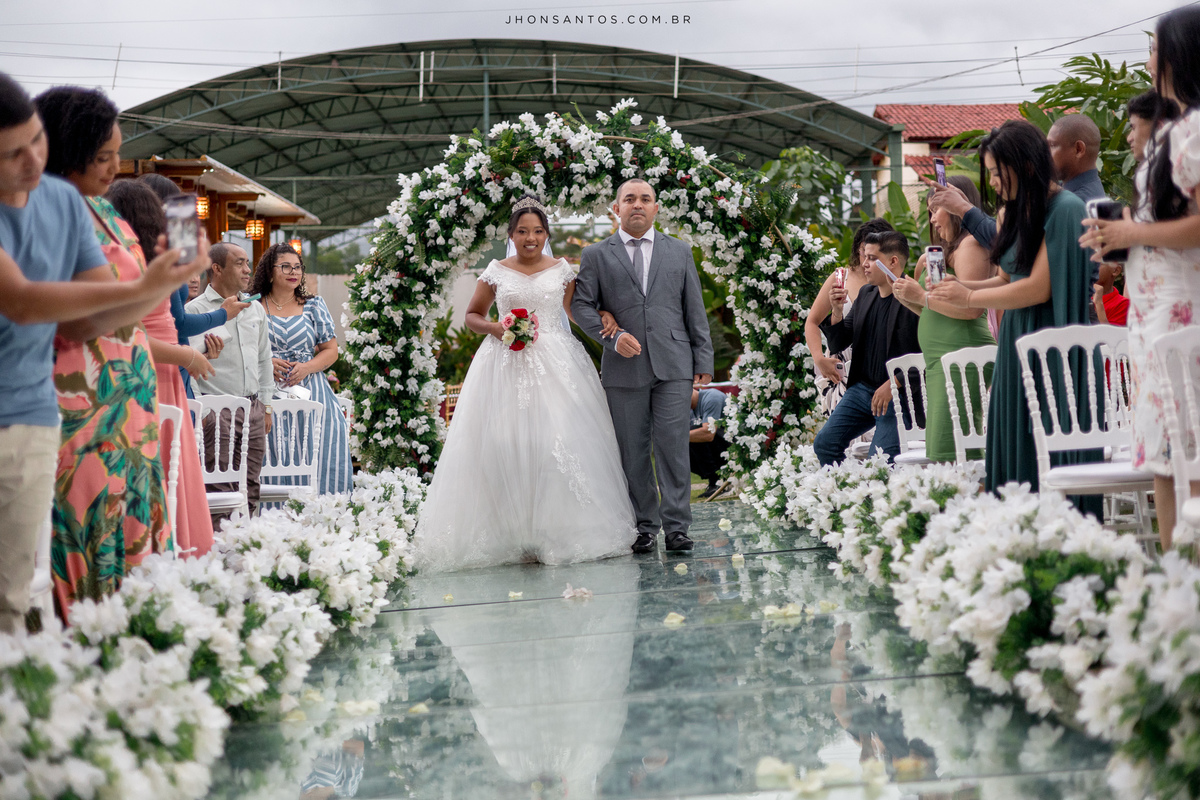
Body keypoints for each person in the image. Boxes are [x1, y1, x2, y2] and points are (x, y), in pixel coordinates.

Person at [0, 73, 204, 633]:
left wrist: (167, 281)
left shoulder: (78, 205)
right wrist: (145, 287)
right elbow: (27, 302)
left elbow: (98, 314)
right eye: (102, 155)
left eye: (37, 142)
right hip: (70, 395)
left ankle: (117, 649)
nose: (33, 159)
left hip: (111, 395)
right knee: (57, 552)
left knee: (26, 585)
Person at [413, 196, 636, 569]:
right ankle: (513, 534)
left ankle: (555, 532)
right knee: (504, 444)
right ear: (511, 235)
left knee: (556, 444)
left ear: (546, 234)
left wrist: (604, 317)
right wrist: (497, 327)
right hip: (503, 365)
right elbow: (472, 315)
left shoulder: (563, 270)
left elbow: (574, 312)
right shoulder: (495, 272)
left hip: (558, 363)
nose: (530, 238)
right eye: (522, 231)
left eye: (537, 231)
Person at [932, 119, 1101, 516]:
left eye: (997, 172)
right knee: (1014, 445)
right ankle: (1014, 532)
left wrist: (968, 294)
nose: (992, 182)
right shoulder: (1010, 213)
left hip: (1054, 341)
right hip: (1016, 341)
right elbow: (1008, 278)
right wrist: (957, 289)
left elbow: (1038, 288)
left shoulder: (1066, 208)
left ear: (1025, 165)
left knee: (1050, 445)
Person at [1078, 6, 1200, 548]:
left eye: (1153, 47)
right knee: (1165, 456)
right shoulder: (1175, 132)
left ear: (1178, 54)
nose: (1148, 59)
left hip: (1183, 316)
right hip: (1155, 317)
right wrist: (1123, 235)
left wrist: (1134, 232)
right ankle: (1175, 578)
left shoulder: (1195, 131)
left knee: (1189, 455)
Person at [572, 178, 715, 554]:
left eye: (645, 199)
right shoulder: (595, 255)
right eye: (630, 199)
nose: (638, 204)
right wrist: (612, 337)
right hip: (623, 367)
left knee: (673, 447)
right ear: (616, 208)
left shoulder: (679, 250)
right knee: (633, 450)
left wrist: (703, 358)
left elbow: (693, 307)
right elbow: (580, 305)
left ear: (655, 208)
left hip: (674, 364)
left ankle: (678, 527)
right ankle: (644, 527)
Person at [104, 178, 219, 556]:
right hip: (155, 365)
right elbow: (129, 333)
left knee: (171, 458)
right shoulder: (130, 262)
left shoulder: (154, 259)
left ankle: (176, 541)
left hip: (167, 366)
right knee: (161, 456)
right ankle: (167, 544)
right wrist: (188, 355)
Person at [892, 176, 996, 462]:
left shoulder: (971, 245)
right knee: (945, 451)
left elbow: (972, 308)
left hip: (962, 357)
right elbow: (938, 310)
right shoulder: (948, 251)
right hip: (943, 358)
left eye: (935, 209)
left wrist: (922, 297)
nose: (932, 220)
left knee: (951, 452)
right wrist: (911, 299)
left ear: (955, 205)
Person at [252, 242, 353, 495]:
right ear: (270, 271)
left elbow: (331, 350)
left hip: (312, 393)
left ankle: (327, 511)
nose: (293, 272)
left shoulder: (314, 305)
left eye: (297, 267)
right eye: (286, 266)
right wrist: (265, 362)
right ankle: (274, 515)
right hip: (268, 395)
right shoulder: (253, 306)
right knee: (273, 456)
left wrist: (307, 367)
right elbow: (241, 350)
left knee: (322, 450)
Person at [814, 230, 921, 466]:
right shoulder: (866, 294)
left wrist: (893, 384)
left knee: (878, 462)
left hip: (897, 396)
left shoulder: (914, 298)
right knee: (824, 444)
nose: (864, 263)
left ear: (893, 262)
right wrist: (837, 311)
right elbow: (838, 343)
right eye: (865, 256)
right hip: (862, 390)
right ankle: (842, 488)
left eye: (872, 258)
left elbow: (927, 356)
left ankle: (875, 490)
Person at [137, 172, 246, 398]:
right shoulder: (157, 259)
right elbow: (180, 323)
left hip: (170, 358)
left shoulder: (154, 255)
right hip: (163, 363)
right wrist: (223, 314)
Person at [187, 242, 273, 520]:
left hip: (254, 409)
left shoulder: (255, 309)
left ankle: (247, 541)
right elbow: (187, 364)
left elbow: (264, 359)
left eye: (248, 263)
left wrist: (266, 405)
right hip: (216, 411)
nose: (248, 269)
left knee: (251, 485)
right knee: (219, 488)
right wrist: (202, 411)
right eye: (239, 263)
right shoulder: (195, 311)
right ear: (217, 268)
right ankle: (218, 543)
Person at [804, 218, 895, 416]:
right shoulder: (840, 278)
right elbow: (812, 321)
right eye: (863, 250)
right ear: (857, 248)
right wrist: (818, 358)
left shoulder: (891, 282)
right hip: (840, 371)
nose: (866, 258)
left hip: (878, 371)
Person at [1047, 114, 1107, 202]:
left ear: (1079, 149)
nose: (1046, 152)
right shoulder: (1070, 189)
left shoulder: (1075, 203)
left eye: (1052, 145)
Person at [689, 386, 729, 498]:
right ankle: (715, 481)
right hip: (720, 446)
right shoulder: (688, 410)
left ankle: (717, 481)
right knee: (677, 443)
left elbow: (708, 434)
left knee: (692, 434)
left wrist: (679, 437)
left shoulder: (712, 397)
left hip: (736, 446)